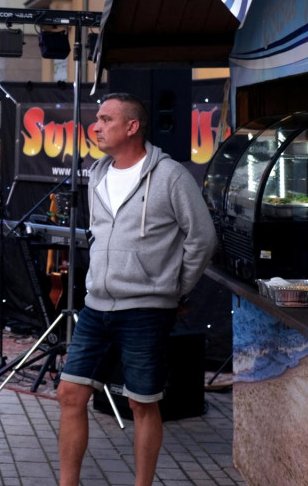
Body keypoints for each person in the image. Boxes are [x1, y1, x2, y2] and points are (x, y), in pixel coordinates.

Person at [57, 93, 217, 486]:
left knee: (141, 404)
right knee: (69, 394)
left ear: (132, 127)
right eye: (97, 119)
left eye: (106, 119)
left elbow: (202, 238)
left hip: (146, 310)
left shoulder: (170, 175)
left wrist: (173, 288)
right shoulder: (96, 173)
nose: (96, 126)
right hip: (97, 306)